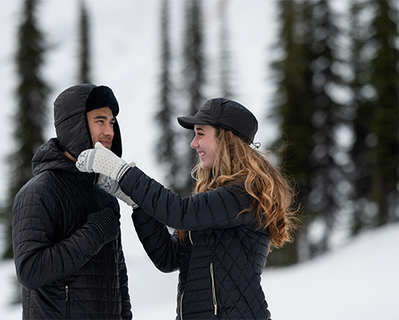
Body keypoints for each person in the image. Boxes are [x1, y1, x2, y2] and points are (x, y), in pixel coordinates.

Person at [76, 98, 298, 320]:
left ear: (227, 138)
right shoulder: (219, 199)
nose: (194, 143)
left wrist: (122, 171)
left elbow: (179, 213)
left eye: (201, 133)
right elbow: (168, 258)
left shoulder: (244, 195)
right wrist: (138, 204)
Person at [12, 84, 132, 320]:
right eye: (100, 121)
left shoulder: (104, 194)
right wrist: (95, 232)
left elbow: (119, 279)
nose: (109, 131)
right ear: (74, 125)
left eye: (112, 123)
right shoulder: (38, 192)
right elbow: (30, 271)